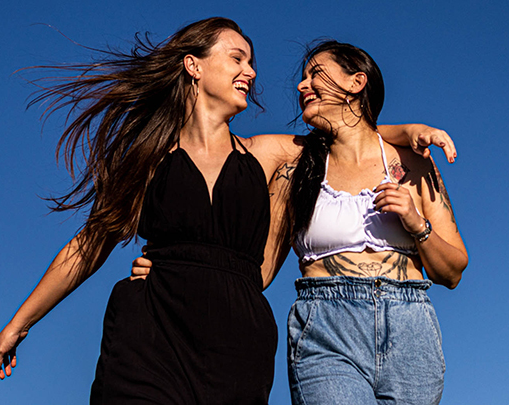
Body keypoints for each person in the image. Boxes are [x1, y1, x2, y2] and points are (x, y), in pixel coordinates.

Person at [0, 18, 453, 405]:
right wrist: (18, 325)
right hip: (151, 329)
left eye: (250, 62)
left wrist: (408, 129)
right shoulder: (149, 158)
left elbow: (350, 132)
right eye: (237, 58)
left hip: (237, 342)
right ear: (193, 66)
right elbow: (88, 245)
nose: (251, 71)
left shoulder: (269, 154)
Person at [134, 39, 468, 404]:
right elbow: (257, 272)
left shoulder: (413, 163)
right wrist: (176, 271)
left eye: (315, 74)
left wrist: (416, 223)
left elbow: (452, 272)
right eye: (303, 77)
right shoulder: (295, 166)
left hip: (411, 330)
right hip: (326, 326)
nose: (301, 85)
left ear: (356, 82)